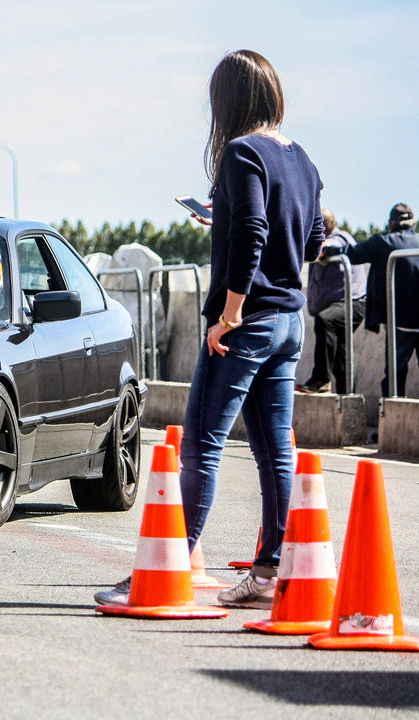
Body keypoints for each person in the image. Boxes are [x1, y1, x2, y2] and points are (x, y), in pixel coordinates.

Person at [95, 50, 324, 607]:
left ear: (229, 102)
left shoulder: (243, 152)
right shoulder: (303, 160)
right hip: (288, 321)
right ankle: (271, 573)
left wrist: (230, 313)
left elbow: (250, 232)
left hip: (246, 323)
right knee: (275, 452)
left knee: (201, 442)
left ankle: (165, 570)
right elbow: (313, 239)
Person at [320, 203, 419, 398]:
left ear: (391, 223)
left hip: (401, 322)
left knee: (395, 376)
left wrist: (328, 251)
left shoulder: (384, 242)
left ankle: (390, 419)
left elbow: (352, 253)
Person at [297, 208, 367, 394]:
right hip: (339, 304)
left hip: (353, 303)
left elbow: (335, 245)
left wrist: (322, 247)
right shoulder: (322, 240)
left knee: (325, 320)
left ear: (324, 227)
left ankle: (321, 378)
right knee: (339, 353)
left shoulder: (341, 238)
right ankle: (346, 394)